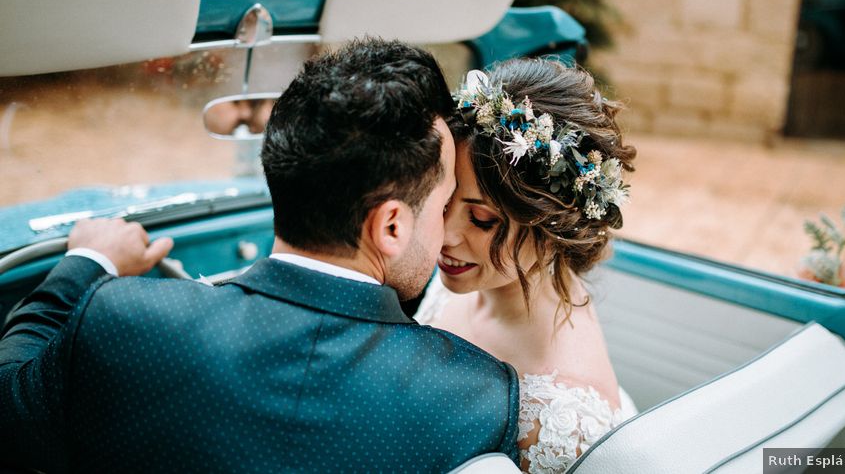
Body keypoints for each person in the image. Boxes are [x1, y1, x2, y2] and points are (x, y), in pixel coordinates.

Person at [0, 39, 519, 473]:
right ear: (390, 225)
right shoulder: (472, 399)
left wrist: (87, 263)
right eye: (444, 202)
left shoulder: (122, 321)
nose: (448, 227)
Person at [415, 59, 639, 473]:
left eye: (482, 220)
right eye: (444, 202)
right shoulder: (475, 269)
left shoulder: (556, 421)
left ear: (553, 226)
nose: (444, 236)